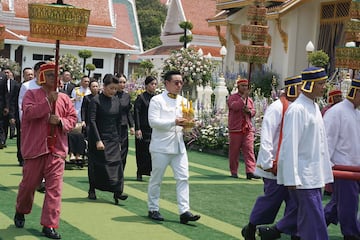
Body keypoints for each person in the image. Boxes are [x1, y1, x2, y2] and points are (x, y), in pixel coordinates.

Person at [14, 62, 77, 239]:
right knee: (29, 185)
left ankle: (49, 224)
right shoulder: (31, 94)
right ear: (41, 77)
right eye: (50, 75)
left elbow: (72, 119)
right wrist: (47, 102)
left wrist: (60, 122)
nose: (54, 79)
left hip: (56, 150)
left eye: (56, 75)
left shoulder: (64, 98)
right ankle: (21, 210)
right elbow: (28, 114)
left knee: (54, 189)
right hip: (36, 149)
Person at [242, 75, 303, 240]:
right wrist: (268, 161)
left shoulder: (299, 108)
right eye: (300, 87)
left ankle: (294, 233)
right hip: (275, 166)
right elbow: (267, 135)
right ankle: (251, 226)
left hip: (292, 165)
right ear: (291, 88)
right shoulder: (277, 107)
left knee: (295, 201)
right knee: (271, 201)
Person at [276, 67, 333, 240]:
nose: (324, 87)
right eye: (321, 84)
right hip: (303, 177)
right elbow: (289, 145)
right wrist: (292, 177)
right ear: (309, 85)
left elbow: (320, 143)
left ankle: (270, 232)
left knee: (310, 221)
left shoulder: (314, 107)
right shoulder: (298, 109)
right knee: (314, 224)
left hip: (314, 176)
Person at [147, 70, 200, 224]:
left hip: (178, 146)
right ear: (167, 83)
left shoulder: (183, 101)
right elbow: (153, 122)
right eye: (176, 82)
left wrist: (190, 125)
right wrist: (174, 122)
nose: (179, 85)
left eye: (181, 82)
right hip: (161, 147)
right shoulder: (157, 100)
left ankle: (184, 211)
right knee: (156, 179)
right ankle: (153, 208)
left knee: (183, 177)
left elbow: (186, 121)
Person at [323, 78, 360, 240]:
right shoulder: (336, 112)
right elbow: (326, 141)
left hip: (355, 168)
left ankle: (304, 228)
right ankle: (351, 234)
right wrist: (327, 166)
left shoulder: (357, 113)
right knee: (348, 204)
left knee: (337, 205)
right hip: (343, 169)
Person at [87, 74, 128, 203]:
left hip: (113, 137)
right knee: (98, 165)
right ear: (103, 87)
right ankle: (92, 188)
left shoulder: (116, 101)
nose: (113, 91)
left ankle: (117, 191)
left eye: (115, 89)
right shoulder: (96, 100)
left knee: (117, 165)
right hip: (98, 137)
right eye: (111, 88)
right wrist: (98, 140)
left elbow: (118, 120)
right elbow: (92, 121)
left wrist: (119, 140)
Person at [227, 78, 259, 179]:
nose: (245, 88)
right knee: (234, 151)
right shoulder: (232, 98)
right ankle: (234, 171)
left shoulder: (249, 100)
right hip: (236, 129)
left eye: (246, 86)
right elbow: (234, 107)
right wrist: (242, 99)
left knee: (249, 150)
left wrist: (249, 112)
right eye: (243, 86)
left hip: (247, 128)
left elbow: (253, 111)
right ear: (238, 87)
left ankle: (250, 171)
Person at [134, 76, 157, 181]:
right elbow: (137, 113)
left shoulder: (156, 98)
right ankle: (140, 171)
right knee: (142, 151)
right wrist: (137, 128)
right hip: (142, 128)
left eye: (155, 84)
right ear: (147, 85)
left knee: (152, 151)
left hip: (153, 129)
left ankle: (151, 171)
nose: (154, 86)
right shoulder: (141, 98)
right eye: (152, 84)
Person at [321, 88, 343, 196]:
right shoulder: (326, 110)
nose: (339, 99)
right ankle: (328, 188)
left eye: (340, 96)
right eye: (337, 97)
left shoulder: (343, 110)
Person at [80, 78, 99, 199]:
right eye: (93, 86)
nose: (95, 88)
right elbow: (83, 110)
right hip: (89, 125)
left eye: (97, 86)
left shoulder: (101, 99)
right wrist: (83, 121)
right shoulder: (87, 98)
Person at [68, 76, 90, 162]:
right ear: (81, 82)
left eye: (88, 81)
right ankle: (72, 153)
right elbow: (72, 103)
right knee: (73, 135)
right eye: (85, 81)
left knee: (82, 136)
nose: (86, 83)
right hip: (76, 115)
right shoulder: (76, 90)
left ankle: (80, 154)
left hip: (85, 117)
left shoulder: (89, 91)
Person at [115, 73, 134, 171]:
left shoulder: (126, 96)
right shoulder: (111, 94)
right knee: (114, 149)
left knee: (124, 149)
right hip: (112, 126)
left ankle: (121, 170)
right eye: (120, 82)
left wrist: (131, 126)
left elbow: (128, 112)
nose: (122, 84)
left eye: (124, 82)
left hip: (123, 125)